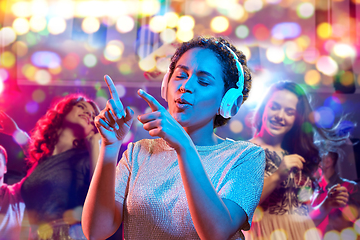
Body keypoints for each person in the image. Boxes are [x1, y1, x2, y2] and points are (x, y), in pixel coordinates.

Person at [82, 36, 266, 240]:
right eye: (180, 75)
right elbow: (96, 231)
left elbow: (216, 233)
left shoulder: (245, 157)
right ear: (165, 84)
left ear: (228, 101)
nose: (186, 86)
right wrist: (109, 147)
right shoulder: (138, 152)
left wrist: (184, 146)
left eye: (203, 81)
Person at [247, 81, 349, 240]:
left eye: (289, 112)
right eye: (274, 106)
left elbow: (302, 220)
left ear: (297, 118)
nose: (280, 116)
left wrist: (327, 205)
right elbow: (240, 207)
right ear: (264, 108)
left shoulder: (297, 155)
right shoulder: (245, 151)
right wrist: (277, 176)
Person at [0, 95, 101, 240]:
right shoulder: (42, 161)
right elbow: (31, 148)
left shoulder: (86, 158)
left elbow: (103, 203)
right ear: (62, 112)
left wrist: (95, 144)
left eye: (93, 115)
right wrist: (15, 131)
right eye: (81, 107)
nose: (88, 114)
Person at [312, 148, 360, 236]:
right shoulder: (313, 192)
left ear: (327, 162)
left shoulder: (350, 187)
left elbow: (357, 220)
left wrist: (325, 183)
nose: (310, 165)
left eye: (314, 159)